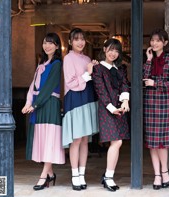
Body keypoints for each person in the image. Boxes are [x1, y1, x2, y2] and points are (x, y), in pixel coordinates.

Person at [22, 32, 65, 191]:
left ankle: (43, 176)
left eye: (51, 43)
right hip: (39, 106)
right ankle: (50, 174)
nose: (47, 46)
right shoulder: (41, 65)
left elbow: (48, 88)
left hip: (49, 105)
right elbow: (33, 87)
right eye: (45, 43)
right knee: (42, 140)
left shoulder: (57, 64)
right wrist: (28, 103)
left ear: (56, 46)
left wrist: (35, 104)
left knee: (49, 141)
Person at [143, 29, 169, 190]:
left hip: (165, 102)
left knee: (162, 142)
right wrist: (149, 60)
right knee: (152, 142)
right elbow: (143, 79)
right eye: (152, 40)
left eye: (158, 40)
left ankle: (165, 172)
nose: (154, 43)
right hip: (150, 102)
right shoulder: (148, 61)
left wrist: (156, 84)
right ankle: (157, 174)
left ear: (165, 43)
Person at [62, 28, 99, 191]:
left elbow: (91, 78)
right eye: (76, 39)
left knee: (85, 139)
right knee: (76, 139)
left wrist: (93, 68)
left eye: (82, 39)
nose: (80, 42)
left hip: (87, 97)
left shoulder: (87, 58)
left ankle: (82, 174)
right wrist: (88, 72)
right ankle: (74, 175)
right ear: (70, 42)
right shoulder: (68, 58)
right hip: (75, 98)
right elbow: (70, 83)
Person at [92, 38, 130, 192]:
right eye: (111, 49)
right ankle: (108, 177)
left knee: (117, 142)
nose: (113, 53)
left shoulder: (120, 68)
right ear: (104, 48)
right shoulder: (98, 68)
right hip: (107, 108)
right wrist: (111, 107)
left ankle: (108, 176)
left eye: (117, 51)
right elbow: (100, 89)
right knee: (117, 142)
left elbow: (124, 84)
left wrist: (125, 101)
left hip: (120, 107)